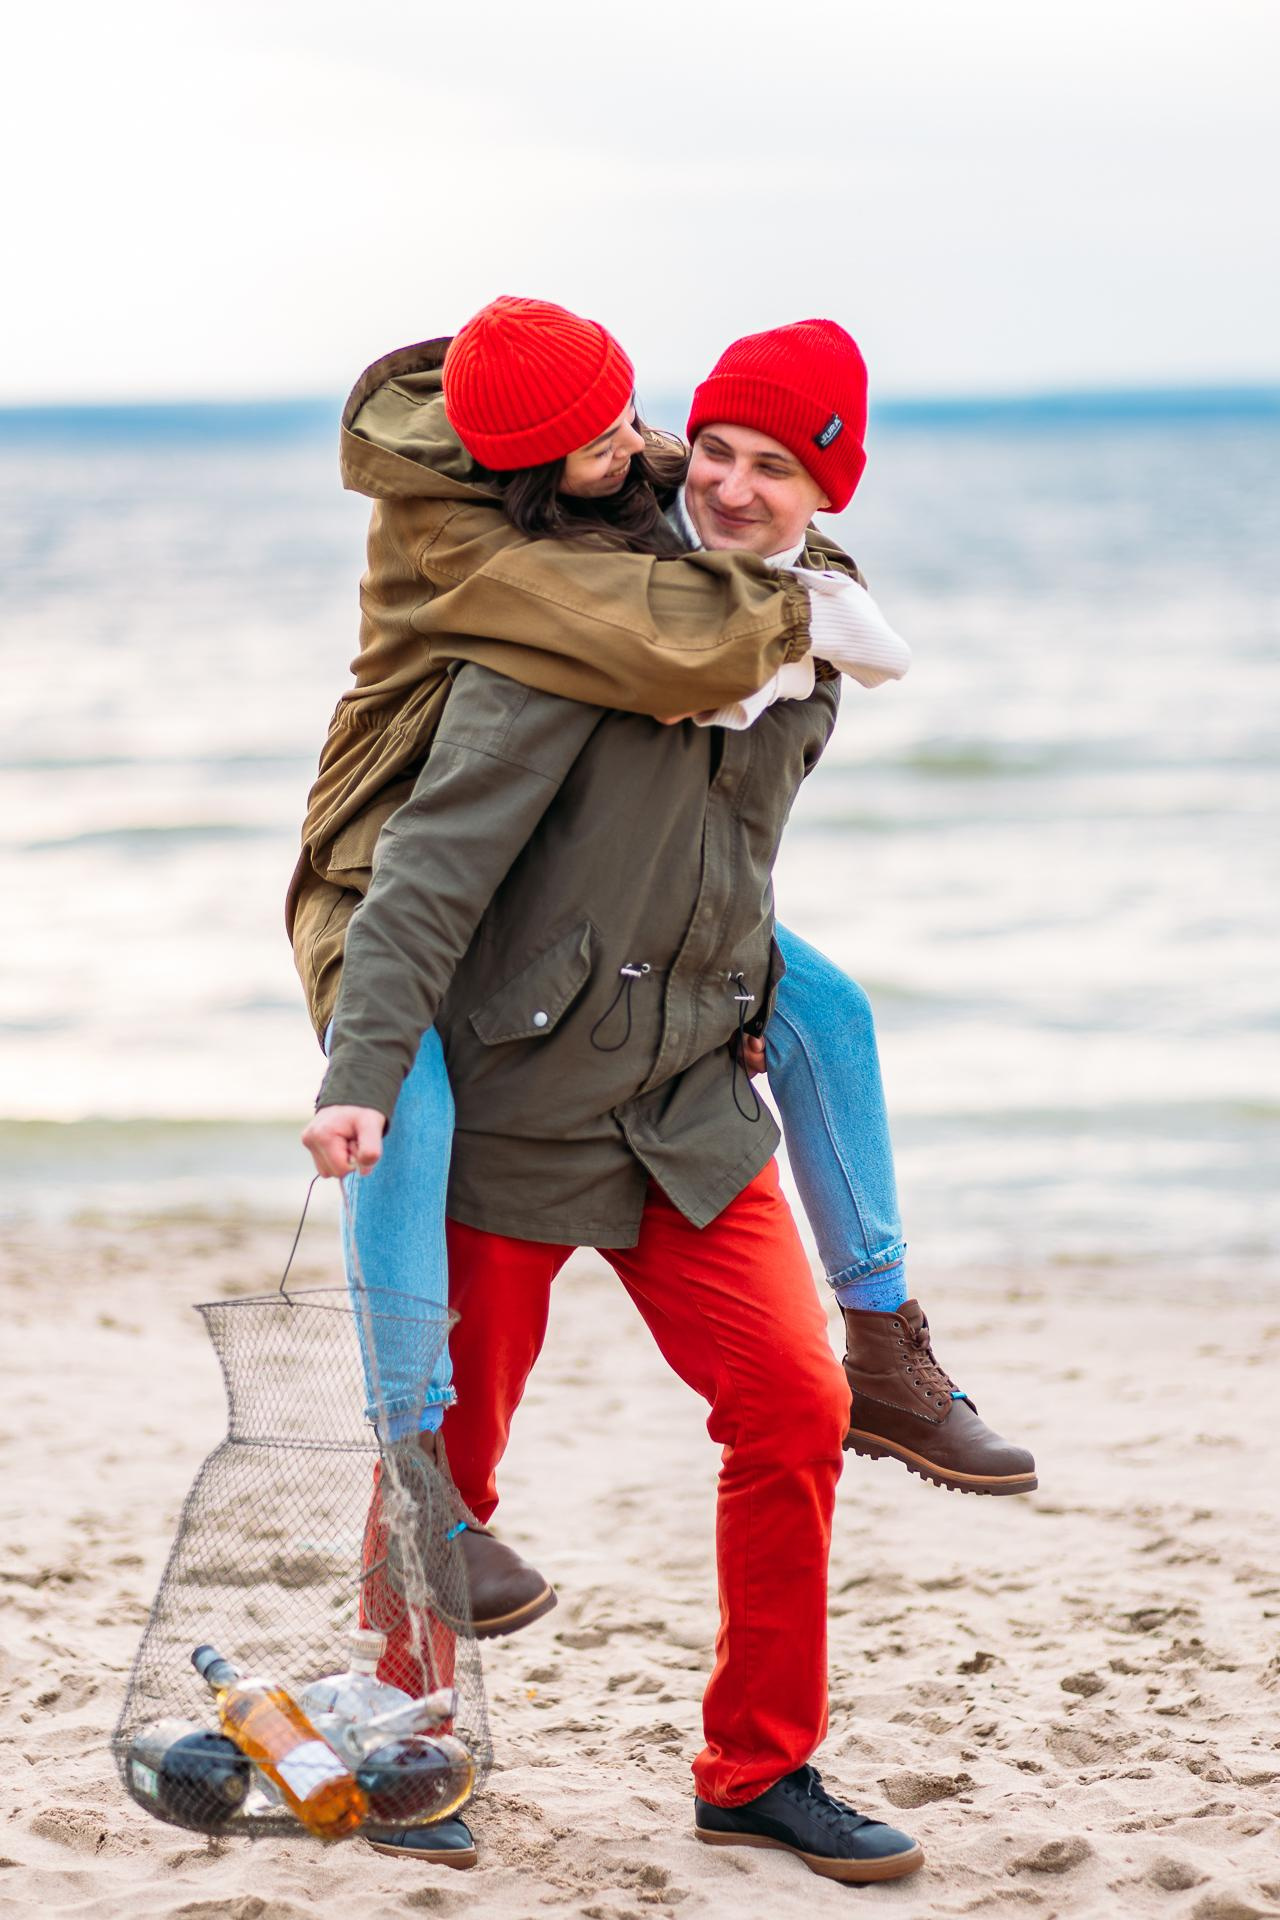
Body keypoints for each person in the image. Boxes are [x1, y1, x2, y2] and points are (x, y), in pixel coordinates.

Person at [302, 300, 941, 1882]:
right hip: (513, 1105)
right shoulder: (555, 621)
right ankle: (401, 1748)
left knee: (794, 1410)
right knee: (457, 1470)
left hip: (683, 1111)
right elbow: (427, 879)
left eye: (770, 465)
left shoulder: (779, 620)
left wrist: (734, 1003)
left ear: (824, 491)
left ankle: (759, 1771)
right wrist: (367, 1067)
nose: (728, 486)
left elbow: (734, 869)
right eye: (714, 455)